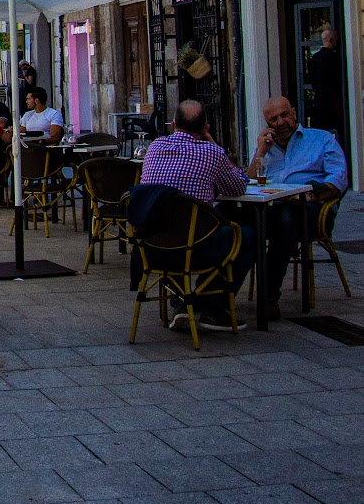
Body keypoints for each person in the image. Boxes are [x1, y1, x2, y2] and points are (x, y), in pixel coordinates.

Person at [139, 99, 254, 331]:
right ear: (205, 128)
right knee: (246, 236)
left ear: (173, 124)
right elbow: (237, 187)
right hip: (195, 247)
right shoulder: (211, 152)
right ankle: (212, 306)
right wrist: (214, 146)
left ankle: (181, 302)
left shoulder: (154, 148)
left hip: (153, 245)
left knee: (178, 223)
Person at [246, 94, 349, 318]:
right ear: (267, 124)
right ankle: (215, 297)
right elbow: (248, 181)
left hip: (311, 211)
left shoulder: (321, 139)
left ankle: (269, 294)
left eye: (284, 115)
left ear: (294, 112)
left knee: (286, 217)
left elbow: (339, 178)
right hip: (271, 209)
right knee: (233, 218)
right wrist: (261, 152)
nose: (281, 122)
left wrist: (311, 196)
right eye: (273, 119)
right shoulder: (267, 147)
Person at [307, 27, 345, 137]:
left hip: (319, 103)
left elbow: (311, 78)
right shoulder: (334, 57)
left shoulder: (315, 57)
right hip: (333, 103)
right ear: (332, 41)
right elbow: (337, 80)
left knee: (319, 135)